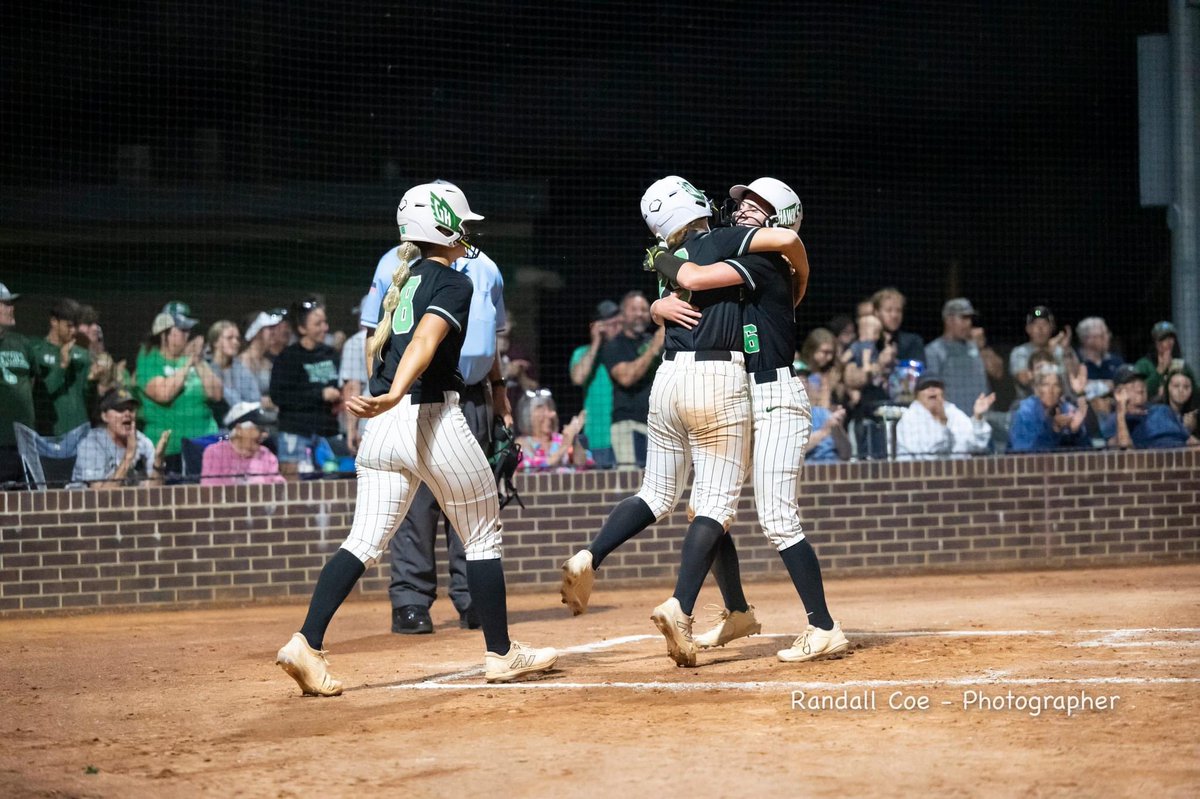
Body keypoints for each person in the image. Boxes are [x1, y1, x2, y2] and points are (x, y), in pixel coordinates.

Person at [275, 182, 557, 695]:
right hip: (430, 418)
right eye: (461, 223)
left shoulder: (399, 280)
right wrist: (397, 393)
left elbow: (380, 345)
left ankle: (306, 642)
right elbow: (425, 341)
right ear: (441, 226)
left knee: (362, 542)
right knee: (482, 534)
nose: (468, 232)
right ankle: (501, 654)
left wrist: (384, 398)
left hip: (383, 429)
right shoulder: (453, 280)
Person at [643, 175, 848, 663]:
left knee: (777, 517)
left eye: (757, 207)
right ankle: (736, 613)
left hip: (775, 396)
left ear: (779, 218)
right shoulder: (745, 259)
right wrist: (655, 307)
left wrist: (659, 260)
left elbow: (691, 278)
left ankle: (824, 627)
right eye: (742, 206)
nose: (742, 211)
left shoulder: (762, 261)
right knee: (710, 508)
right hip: (743, 396)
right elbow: (690, 298)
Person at [366, 195, 512, 637]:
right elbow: (378, 334)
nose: (467, 230)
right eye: (460, 221)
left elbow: (491, 335)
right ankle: (411, 601)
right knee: (416, 505)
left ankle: (472, 600)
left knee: (469, 500)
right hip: (418, 394)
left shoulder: (486, 267)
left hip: (471, 393)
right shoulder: (397, 263)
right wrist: (385, 392)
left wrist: (501, 394)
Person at [135, 306, 223, 475]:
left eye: (188, 330)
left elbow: (216, 394)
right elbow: (164, 394)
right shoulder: (149, 358)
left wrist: (198, 361)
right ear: (164, 333)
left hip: (204, 443)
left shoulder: (193, 359)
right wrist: (188, 362)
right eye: (181, 330)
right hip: (169, 451)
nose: (187, 335)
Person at [268, 297, 341, 477]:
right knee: (295, 491)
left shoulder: (330, 354)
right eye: (318, 324)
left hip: (327, 432)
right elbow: (279, 396)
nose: (325, 327)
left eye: (325, 322)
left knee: (331, 487)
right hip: (295, 433)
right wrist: (320, 394)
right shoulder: (288, 357)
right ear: (302, 328)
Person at [598, 290, 664, 468]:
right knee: (632, 481)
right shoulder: (614, 346)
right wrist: (655, 348)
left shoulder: (652, 340)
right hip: (627, 425)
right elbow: (626, 377)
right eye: (634, 309)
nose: (640, 314)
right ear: (622, 315)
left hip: (657, 424)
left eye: (644, 309)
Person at [72, 388, 170, 488]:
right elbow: (99, 497)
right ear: (104, 416)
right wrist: (128, 456)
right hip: (76, 502)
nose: (127, 414)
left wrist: (158, 462)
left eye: (131, 409)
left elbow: (155, 492)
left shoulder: (143, 442)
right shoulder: (92, 444)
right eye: (120, 409)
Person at [568, 299, 623, 469]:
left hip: (624, 436)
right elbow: (578, 378)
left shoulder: (626, 351)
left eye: (618, 323)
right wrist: (596, 342)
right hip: (596, 437)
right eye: (610, 324)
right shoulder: (583, 353)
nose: (616, 329)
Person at [895, 376, 994, 459]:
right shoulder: (909, 418)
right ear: (917, 395)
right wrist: (941, 423)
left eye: (936, 385)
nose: (931, 389)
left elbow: (977, 445)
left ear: (943, 392)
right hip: (916, 478)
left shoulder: (953, 412)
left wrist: (977, 417)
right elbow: (929, 457)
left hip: (956, 475)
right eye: (925, 386)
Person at [923, 298, 991, 416]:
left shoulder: (976, 345)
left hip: (982, 419)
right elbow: (932, 390)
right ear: (949, 320)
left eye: (970, 318)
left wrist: (982, 347)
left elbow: (997, 372)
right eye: (963, 318)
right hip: (954, 421)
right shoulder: (934, 351)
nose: (969, 323)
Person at [1101, 364, 1193, 449]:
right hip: (1156, 461)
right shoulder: (1116, 420)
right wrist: (1121, 410)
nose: (1140, 387)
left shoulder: (1163, 409)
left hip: (1185, 456)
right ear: (1119, 391)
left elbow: (1190, 440)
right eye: (1132, 384)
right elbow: (1123, 451)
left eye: (1141, 382)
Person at [0, 282, 37, 485]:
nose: (11, 308)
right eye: (5, 303)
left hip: (25, 444)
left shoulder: (22, 343)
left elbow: (31, 382)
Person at [1007, 366, 1090, 452]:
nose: (1051, 390)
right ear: (1037, 389)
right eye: (1045, 385)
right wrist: (1054, 429)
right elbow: (1024, 453)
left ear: (1061, 390)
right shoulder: (1025, 413)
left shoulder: (1068, 410)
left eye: (1056, 385)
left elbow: (1086, 452)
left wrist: (1076, 431)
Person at [200, 402, 285, 485]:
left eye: (266, 430)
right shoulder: (215, 453)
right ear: (239, 430)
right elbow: (209, 490)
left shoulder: (266, 455)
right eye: (260, 429)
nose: (265, 434)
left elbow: (279, 487)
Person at [1009, 306, 1080, 402]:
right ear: (1028, 329)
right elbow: (1024, 379)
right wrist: (1048, 350)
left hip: (1063, 405)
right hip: (1029, 406)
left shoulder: (1062, 350)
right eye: (1035, 324)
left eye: (1045, 324)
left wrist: (1066, 350)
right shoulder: (1020, 352)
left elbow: (1077, 378)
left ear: (1052, 328)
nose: (1040, 329)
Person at [516, 390, 591, 471]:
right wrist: (563, 448)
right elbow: (525, 467)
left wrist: (574, 437)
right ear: (528, 417)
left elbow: (585, 465)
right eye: (542, 411)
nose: (549, 415)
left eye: (550, 409)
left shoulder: (563, 439)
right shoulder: (522, 443)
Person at [206, 320, 260, 429]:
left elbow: (255, 400)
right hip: (214, 427)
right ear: (215, 342)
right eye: (230, 338)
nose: (236, 342)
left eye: (237, 338)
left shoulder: (242, 370)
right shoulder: (205, 369)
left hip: (242, 428)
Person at [1133, 321, 1195, 402]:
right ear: (1155, 343)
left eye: (1171, 338)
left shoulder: (1181, 364)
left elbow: (1195, 388)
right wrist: (1159, 371)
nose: (1168, 342)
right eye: (1163, 339)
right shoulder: (1143, 364)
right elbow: (1138, 391)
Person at [339, 297, 370, 455]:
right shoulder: (401, 338)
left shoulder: (356, 342)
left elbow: (352, 388)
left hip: (369, 422)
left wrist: (351, 429)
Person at [1076, 316, 1123, 404]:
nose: (1108, 338)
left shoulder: (1116, 361)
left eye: (1107, 334)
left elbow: (1123, 387)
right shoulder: (1075, 361)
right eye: (1102, 335)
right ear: (1088, 339)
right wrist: (1108, 385)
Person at [798, 327, 843, 409]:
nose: (829, 357)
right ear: (812, 349)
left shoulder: (831, 372)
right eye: (825, 352)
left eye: (831, 353)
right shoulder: (799, 370)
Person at [1160, 366, 1200, 446]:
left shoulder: (1196, 415)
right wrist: (1186, 430)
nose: (1181, 390)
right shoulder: (1159, 412)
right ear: (1168, 387)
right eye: (1176, 386)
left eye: (1186, 387)